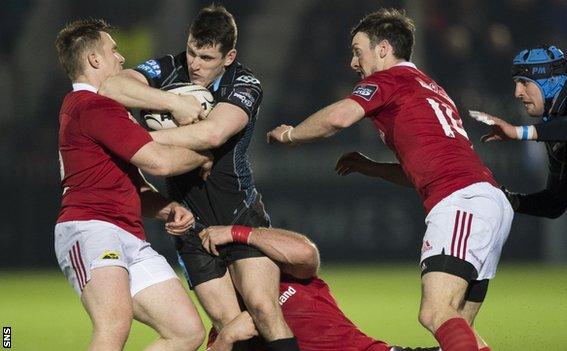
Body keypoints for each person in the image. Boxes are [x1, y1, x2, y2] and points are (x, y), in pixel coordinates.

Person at [267, 8, 514, 351]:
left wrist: (291, 135)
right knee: (457, 331)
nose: (354, 63)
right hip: (484, 201)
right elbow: (423, 169)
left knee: (434, 312)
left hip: (461, 201)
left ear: (383, 49)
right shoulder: (431, 88)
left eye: (358, 51)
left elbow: (339, 118)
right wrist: (371, 167)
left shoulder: (389, 79)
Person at [98, 5, 299, 350]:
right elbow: (111, 87)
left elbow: (213, 134)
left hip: (239, 212)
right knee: (229, 326)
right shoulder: (167, 67)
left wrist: (138, 139)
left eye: (206, 57)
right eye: (191, 51)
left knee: (264, 310)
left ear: (229, 56)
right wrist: (172, 103)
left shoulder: (245, 83)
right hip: (191, 225)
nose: (194, 64)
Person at [54, 19, 211, 350]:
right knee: (114, 323)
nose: (121, 58)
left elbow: (131, 186)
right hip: (90, 227)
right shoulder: (91, 105)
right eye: (113, 50)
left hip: (126, 231)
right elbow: (161, 162)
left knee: (186, 331)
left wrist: (166, 208)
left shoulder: (100, 109)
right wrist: (209, 152)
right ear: (94, 60)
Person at [469, 44, 567, 351]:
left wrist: (521, 132)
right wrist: (506, 199)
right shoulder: (556, 140)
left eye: (524, 82)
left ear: (550, 79)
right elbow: (555, 203)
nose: (517, 92)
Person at [199, 225, 440, 351]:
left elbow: (306, 252)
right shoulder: (229, 316)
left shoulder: (291, 274)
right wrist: (227, 338)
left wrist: (239, 233)